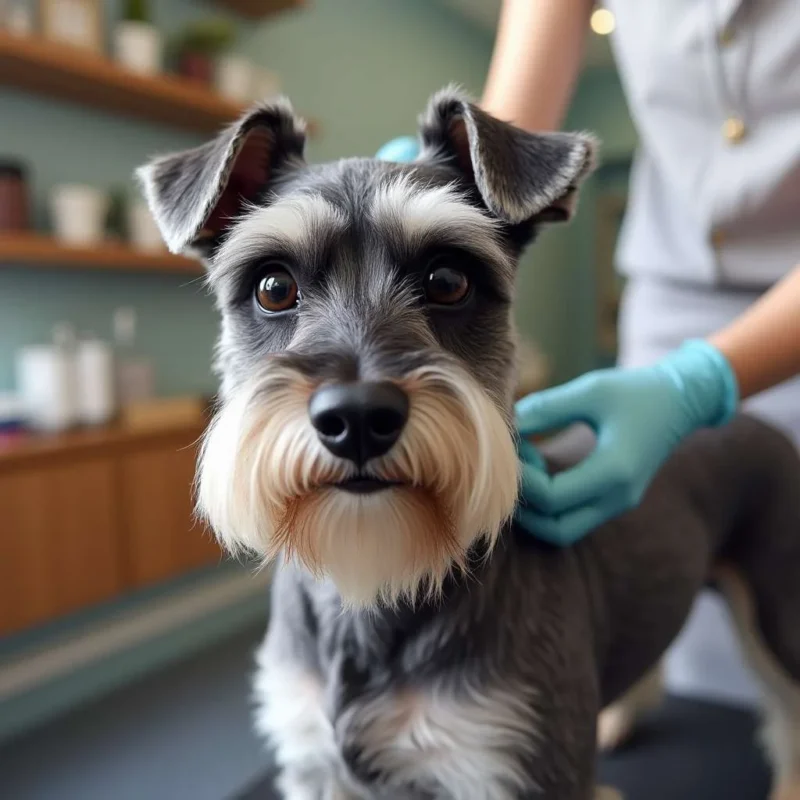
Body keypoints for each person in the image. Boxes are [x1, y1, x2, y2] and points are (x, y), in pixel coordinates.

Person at [378, 0, 800, 714]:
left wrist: (698, 382)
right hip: (677, 285)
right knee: (670, 601)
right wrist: (431, 194)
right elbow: (501, 162)